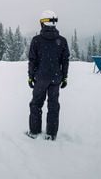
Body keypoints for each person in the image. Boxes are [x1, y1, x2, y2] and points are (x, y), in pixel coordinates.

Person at [27, 10, 70, 140]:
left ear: (43, 23)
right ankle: (51, 134)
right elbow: (65, 61)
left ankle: (34, 132)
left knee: (36, 104)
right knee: (53, 105)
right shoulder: (62, 41)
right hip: (55, 78)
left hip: (40, 78)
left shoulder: (36, 40)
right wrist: (64, 77)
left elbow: (32, 60)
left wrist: (30, 76)